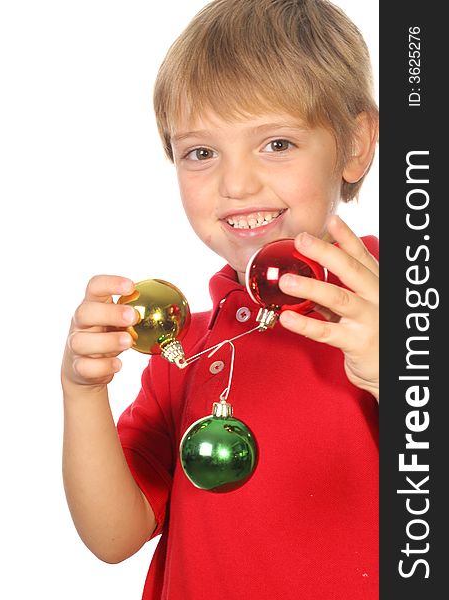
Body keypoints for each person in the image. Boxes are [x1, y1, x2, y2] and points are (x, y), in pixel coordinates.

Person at [61, 0, 379, 598]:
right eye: (201, 153)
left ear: (355, 144)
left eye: (277, 143)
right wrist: (82, 392)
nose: (235, 185)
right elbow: (114, 537)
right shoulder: (187, 347)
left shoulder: (409, 311)